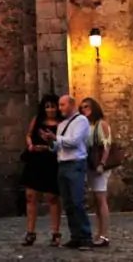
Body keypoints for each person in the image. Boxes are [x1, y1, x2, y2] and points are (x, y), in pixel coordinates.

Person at [39, 94, 93, 250]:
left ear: (71, 105)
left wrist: (56, 138)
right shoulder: (62, 124)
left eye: (62, 105)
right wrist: (50, 141)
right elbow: (58, 146)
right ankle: (75, 236)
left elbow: (75, 142)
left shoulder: (81, 121)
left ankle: (86, 237)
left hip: (76, 164)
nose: (60, 108)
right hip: (62, 164)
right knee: (68, 204)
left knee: (77, 202)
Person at [20, 94, 62, 247]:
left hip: (51, 161)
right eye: (47, 106)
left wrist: (48, 144)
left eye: (53, 106)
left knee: (52, 197)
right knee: (31, 195)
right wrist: (30, 145)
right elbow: (29, 135)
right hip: (35, 160)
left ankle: (55, 233)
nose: (50, 109)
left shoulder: (61, 123)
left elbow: (62, 141)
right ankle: (30, 232)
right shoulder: (37, 120)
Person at [80, 97, 112, 248]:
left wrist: (102, 163)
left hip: (99, 165)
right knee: (96, 200)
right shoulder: (87, 125)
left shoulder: (101, 124)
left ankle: (104, 234)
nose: (84, 109)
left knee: (101, 199)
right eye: (82, 107)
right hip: (91, 165)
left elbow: (106, 145)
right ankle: (99, 232)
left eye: (87, 106)